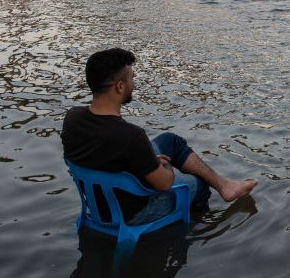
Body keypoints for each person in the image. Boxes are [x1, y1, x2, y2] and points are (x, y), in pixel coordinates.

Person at [62, 47, 257, 223]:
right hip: (128, 215)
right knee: (198, 185)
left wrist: (144, 160)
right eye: (132, 78)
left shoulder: (72, 118)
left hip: (97, 201)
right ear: (119, 87)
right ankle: (197, 230)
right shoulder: (131, 136)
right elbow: (164, 183)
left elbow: (104, 153)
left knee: (170, 141)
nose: (134, 84)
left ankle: (225, 186)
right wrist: (163, 165)